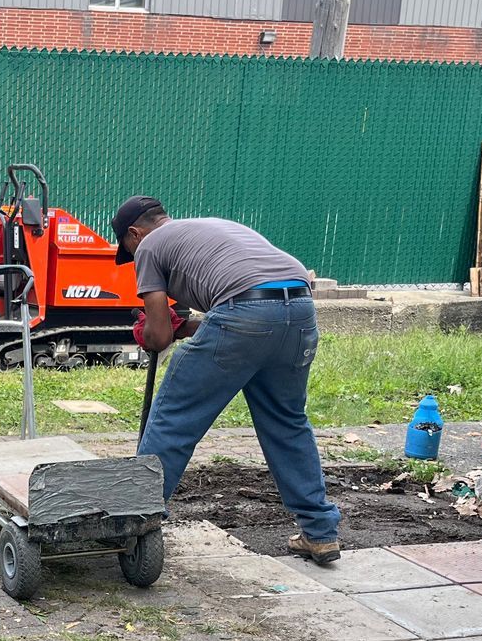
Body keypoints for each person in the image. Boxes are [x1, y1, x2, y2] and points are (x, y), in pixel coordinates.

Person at [114, 195, 342, 566]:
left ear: (135, 234)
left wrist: (153, 330)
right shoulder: (212, 227)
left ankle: (135, 525)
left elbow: (159, 337)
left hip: (244, 311)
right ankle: (320, 533)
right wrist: (184, 326)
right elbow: (245, 312)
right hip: (299, 308)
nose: (133, 257)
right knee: (287, 422)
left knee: (174, 418)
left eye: (128, 249)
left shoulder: (150, 246)